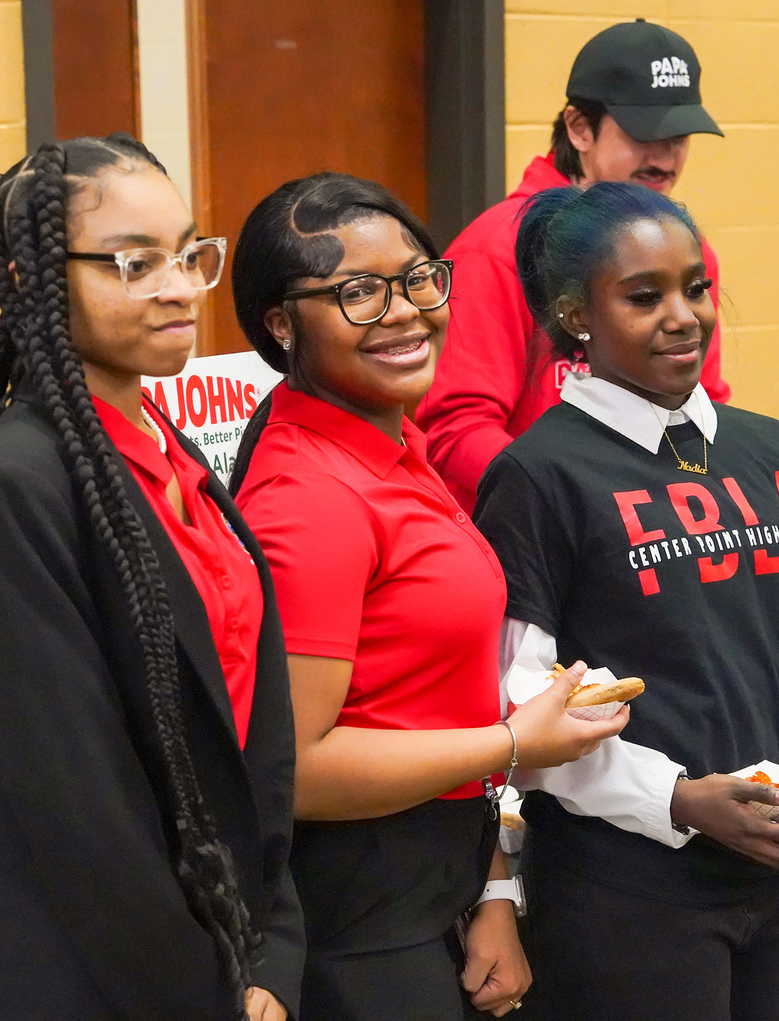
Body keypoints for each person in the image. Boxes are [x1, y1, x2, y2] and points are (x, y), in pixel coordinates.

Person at [227, 172, 629, 1021]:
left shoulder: (394, 438)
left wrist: (491, 893)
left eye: (416, 278)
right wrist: (515, 741)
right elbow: (294, 768)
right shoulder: (307, 493)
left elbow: (426, 701)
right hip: (359, 915)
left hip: (434, 882)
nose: (405, 310)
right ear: (278, 322)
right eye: (357, 293)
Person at [473, 181, 779, 1021]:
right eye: (642, 296)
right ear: (574, 315)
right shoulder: (536, 475)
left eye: (694, 287)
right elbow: (517, 703)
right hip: (626, 889)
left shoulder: (771, 449)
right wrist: (675, 798)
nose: (683, 316)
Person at [0, 135, 303, 1021]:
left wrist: (273, 955)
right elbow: (76, 802)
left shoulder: (173, 455)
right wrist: (210, 991)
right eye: (133, 264)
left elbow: (251, 735)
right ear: (29, 281)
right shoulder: (26, 481)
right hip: (118, 977)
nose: (178, 288)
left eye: (187, 254)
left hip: (237, 947)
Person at [417, 17, 729, 512]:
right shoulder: (496, 249)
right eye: (645, 134)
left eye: (680, 136)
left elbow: (706, 405)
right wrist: (584, 503)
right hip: (540, 535)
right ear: (579, 129)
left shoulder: (686, 249)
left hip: (653, 528)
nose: (666, 159)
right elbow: (456, 431)